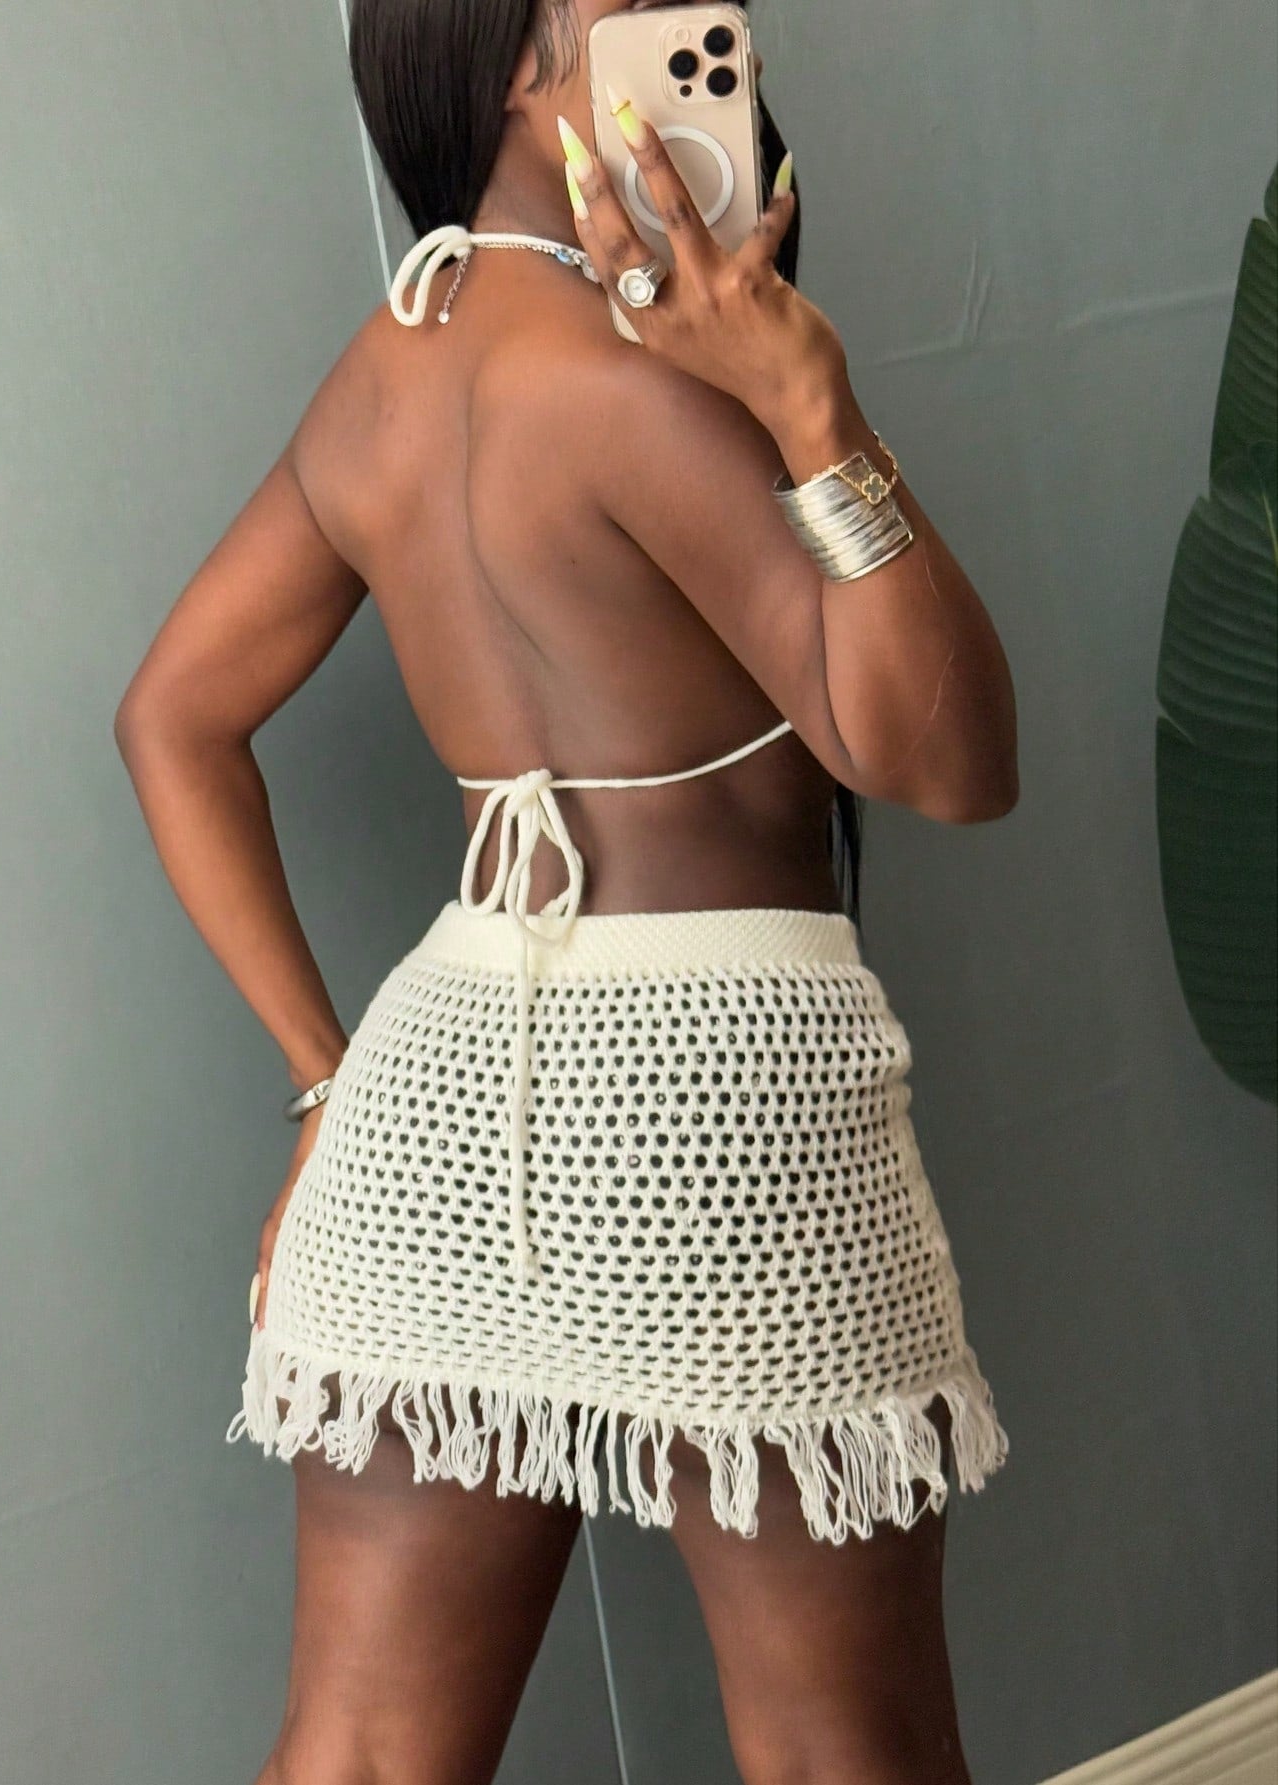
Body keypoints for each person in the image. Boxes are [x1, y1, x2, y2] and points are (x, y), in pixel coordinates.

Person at [114, 3, 1019, 1780]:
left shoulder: (386, 369)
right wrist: (805, 396)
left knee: (358, 1752)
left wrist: (322, 1079)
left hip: (435, 1106)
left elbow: (171, 717)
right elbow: (946, 755)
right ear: (525, 70)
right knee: (848, 1751)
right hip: (721, 1098)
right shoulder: (633, 378)